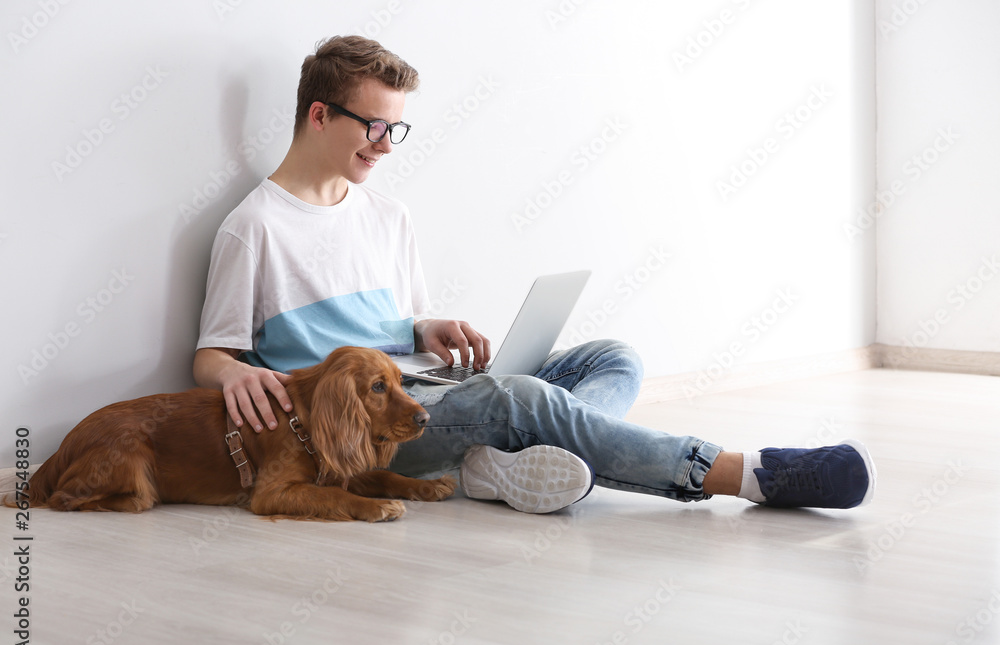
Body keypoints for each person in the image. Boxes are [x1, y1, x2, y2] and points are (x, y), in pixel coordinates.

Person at [193, 35, 876, 515]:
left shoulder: (387, 215)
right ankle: (744, 472)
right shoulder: (255, 227)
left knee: (613, 357)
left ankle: (502, 466)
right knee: (517, 399)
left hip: (422, 388)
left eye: (395, 130)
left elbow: (398, 332)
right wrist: (232, 372)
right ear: (319, 115)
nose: (385, 144)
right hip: (363, 430)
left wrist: (429, 326)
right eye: (374, 125)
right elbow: (209, 355)